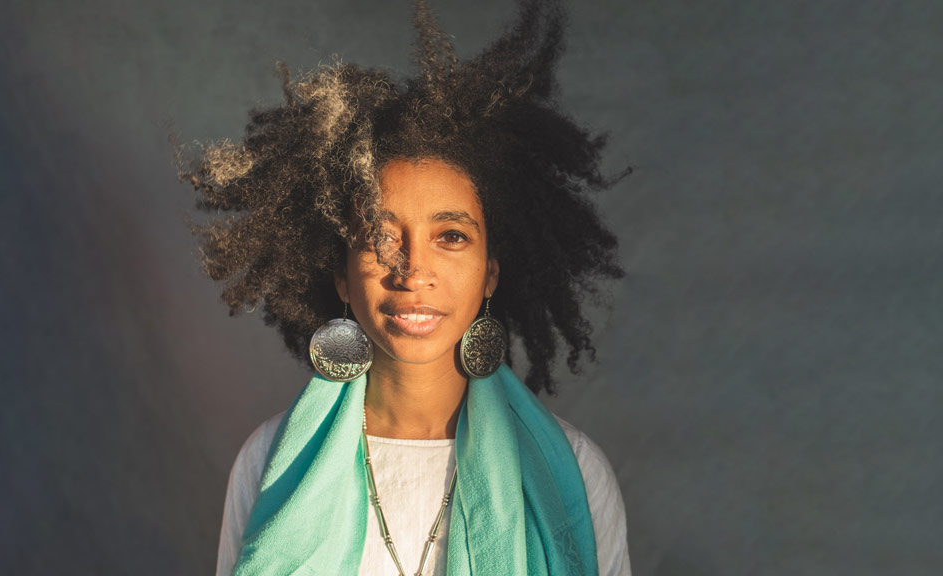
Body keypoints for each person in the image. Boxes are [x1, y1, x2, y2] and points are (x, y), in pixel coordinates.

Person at [180, 1, 632, 574]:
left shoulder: (573, 471)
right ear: (341, 276)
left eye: (450, 236)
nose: (413, 270)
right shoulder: (270, 462)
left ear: (491, 271)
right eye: (379, 237)